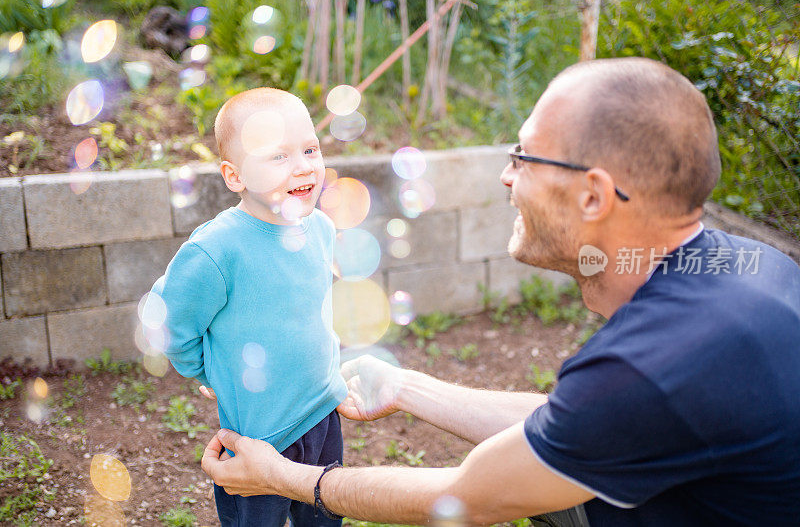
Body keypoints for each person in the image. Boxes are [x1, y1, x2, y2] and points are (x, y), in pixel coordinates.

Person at [199, 58, 800, 526]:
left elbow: (467, 498)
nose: (506, 175)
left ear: (593, 196)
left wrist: (283, 477)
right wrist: (406, 387)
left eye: (524, 157)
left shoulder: (654, 365)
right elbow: (576, 422)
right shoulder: (741, 266)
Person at [149, 88, 347, 527]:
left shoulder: (321, 229)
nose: (303, 166)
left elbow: (308, 309)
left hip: (321, 411)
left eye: (310, 149)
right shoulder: (216, 251)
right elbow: (170, 321)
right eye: (278, 156)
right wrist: (207, 372)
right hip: (258, 435)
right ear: (234, 176)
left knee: (324, 516)